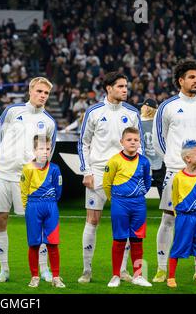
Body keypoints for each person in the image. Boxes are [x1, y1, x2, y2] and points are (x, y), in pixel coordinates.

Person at [152, 59, 196, 283]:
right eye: (191, 77)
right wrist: (175, 159)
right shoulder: (167, 106)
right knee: (168, 218)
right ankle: (162, 269)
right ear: (181, 80)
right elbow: (159, 139)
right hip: (175, 170)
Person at [77, 71, 144, 283]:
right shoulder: (94, 111)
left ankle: (122, 270)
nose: (125, 90)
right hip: (97, 172)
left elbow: (139, 144)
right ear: (109, 88)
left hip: (124, 174)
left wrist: (136, 172)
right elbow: (83, 143)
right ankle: (87, 270)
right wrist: (86, 170)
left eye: (126, 86)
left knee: (124, 223)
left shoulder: (132, 113)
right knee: (93, 219)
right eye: (121, 86)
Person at [0, 77, 57, 283]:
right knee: (0, 218)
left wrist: (36, 170)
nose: (42, 96)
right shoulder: (12, 111)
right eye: (39, 91)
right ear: (30, 91)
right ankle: (4, 269)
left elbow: (49, 151)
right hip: (3, 172)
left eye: (46, 93)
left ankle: (44, 269)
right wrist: (3, 156)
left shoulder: (49, 122)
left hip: (29, 178)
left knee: (39, 224)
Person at [103, 127, 152, 288]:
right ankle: (116, 275)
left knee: (137, 240)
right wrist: (115, 200)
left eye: (136, 140)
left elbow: (147, 182)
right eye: (129, 139)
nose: (132, 142)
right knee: (119, 240)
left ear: (139, 142)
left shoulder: (144, 161)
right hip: (120, 204)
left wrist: (137, 195)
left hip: (138, 204)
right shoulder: (114, 160)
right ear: (122, 142)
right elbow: (107, 183)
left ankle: (138, 276)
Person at [167, 140, 196, 288]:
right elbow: (175, 198)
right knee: (178, 245)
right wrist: (179, 215)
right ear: (188, 158)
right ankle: (171, 277)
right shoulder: (179, 177)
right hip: (184, 218)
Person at [21, 135, 65, 288]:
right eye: (41, 149)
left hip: (50, 207)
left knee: (53, 244)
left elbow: (58, 190)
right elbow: (24, 190)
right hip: (33, 207)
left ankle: (56, 277)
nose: (45, 152)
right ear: (34, 150)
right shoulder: (27, 168)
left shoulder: (55, 168)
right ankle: (34, 277)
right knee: (34, 244)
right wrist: (28, 208)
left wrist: (50, 202)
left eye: (47, 149)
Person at [140, 98, 165, 197]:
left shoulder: (138, 122)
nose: (141, 108)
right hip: (160, 160)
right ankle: (167, 211)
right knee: (163, 188)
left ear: (146, 108)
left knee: (139, 187)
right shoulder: (160, 123)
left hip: (143, 160)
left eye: (143, 106)